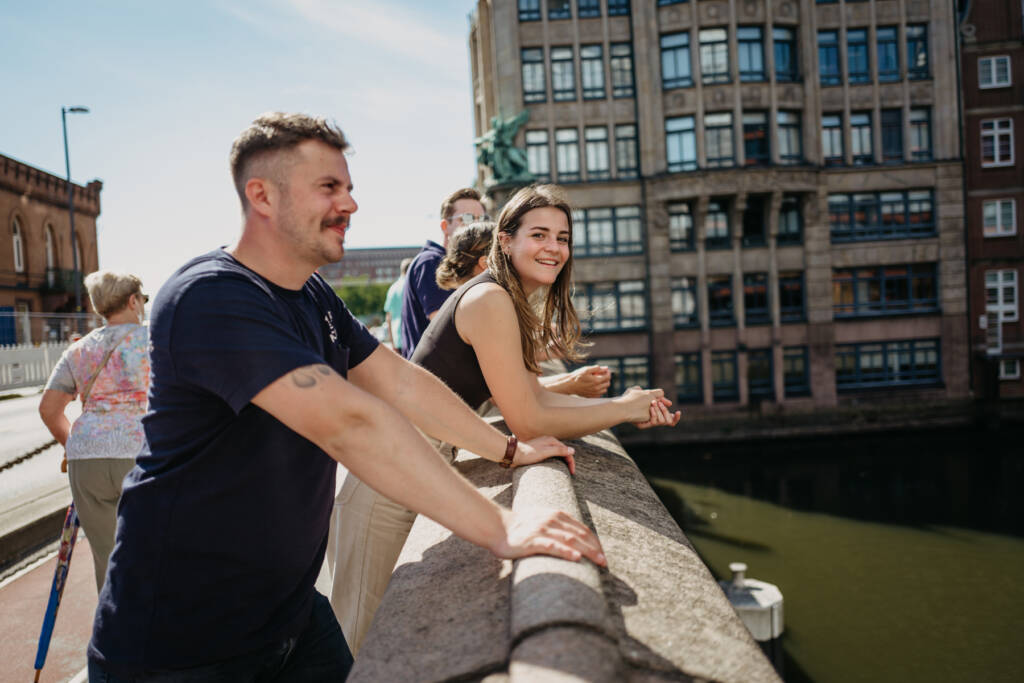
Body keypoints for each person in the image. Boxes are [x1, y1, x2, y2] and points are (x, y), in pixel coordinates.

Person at [86, 113, 604, 682]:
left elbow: (402, 382)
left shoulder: (313, 293)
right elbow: (351, 423)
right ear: (261, 195)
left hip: (290, 614)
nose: (351, 204)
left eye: (349, 188)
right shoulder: (209, 296)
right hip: (180, 645)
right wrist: (501, 529)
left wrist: (507, 450)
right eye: (328, 187)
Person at [330, 188, 680, 652]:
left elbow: (534, 396)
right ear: (506, 240)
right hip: (386, 479)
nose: (553, 248)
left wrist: (625, 403)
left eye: (562, 238)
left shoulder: (507, 299)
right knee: (358, 643)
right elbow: (529, 421)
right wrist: (624, 410)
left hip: (415, 467)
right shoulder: (490, 298)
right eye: (539, 235)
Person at [38, 270, 150, 592]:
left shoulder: (79, 350)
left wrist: (71, 444)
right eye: (143, 299)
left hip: (86, 460)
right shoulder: (154, 341)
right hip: (142, 455)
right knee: (154, 552)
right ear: (133, 301)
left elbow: (49, 409)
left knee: (108, 557)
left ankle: (113, 621)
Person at [435, 221, 610, 399]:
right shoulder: (483, 304)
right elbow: (503, 395)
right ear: (486, 264)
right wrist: (572, 383)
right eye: (508, 253)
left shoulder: (474, 300)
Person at [399, 187, 488, 358]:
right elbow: (447, 327)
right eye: (467, 218)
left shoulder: (458, 264)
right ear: (445, 226)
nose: (476, 225)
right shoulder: (432, 262)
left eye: (482, 219)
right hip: (430, 372)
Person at [382, 257, 412, 352]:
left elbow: (388, 317)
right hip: (411, 338)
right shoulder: (411, 286)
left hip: (397, 339)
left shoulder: (392, 288)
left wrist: (392, 342)